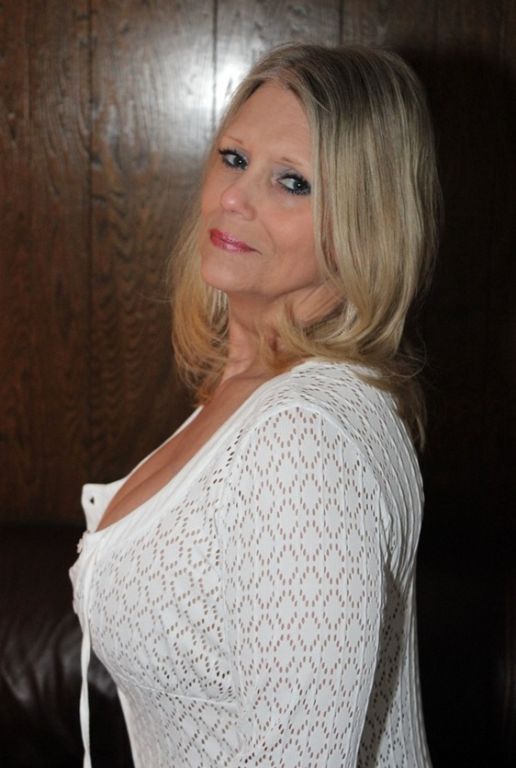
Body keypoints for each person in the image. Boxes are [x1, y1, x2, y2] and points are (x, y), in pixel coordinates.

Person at [70, 42, 440, 767]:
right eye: (234, 159)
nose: (235, 198)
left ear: (364, 222)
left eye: (293, 182)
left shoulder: (303, 436)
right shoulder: (261, 391)